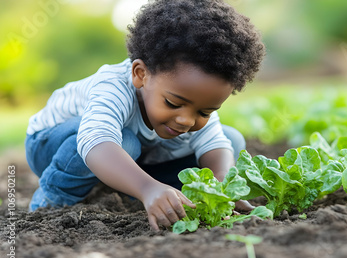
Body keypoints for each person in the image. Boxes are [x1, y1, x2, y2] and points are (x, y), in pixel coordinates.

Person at [25, 0, 265, 231]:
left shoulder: (188, 102)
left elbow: (215, 144)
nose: (186, 120)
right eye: (173, 103)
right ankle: (51, 201)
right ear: (141, 74)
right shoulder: (112, 86)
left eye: (205, 111)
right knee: (125, 142)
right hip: (53, 145)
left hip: (133, 153)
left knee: (231, 139)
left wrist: (221, 189)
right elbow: (96, 141)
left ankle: (127, 190)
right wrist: (148, 187)